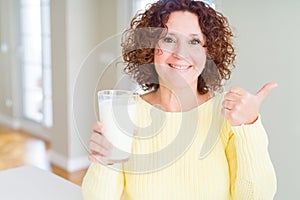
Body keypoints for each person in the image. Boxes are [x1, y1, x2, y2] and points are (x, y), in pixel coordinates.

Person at [82, 0, 277, 199]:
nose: (181, 53)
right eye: (168, 39)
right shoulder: (127, 112)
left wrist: (249, 127)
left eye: (194, 42)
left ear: (208, 52)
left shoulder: (228, 114)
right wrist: (106, 162)